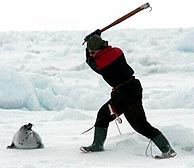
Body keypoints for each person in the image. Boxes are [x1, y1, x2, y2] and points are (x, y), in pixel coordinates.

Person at [80, 32, 177, 159]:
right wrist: (94, 38)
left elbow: (90, 61)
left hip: (128, 93)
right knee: (103, 115)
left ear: (100, 49)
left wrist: (88, 43)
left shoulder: (102, 63)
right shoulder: (117, 51)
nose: (91, 54)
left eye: (93, 52)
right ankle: (97, 144)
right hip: (125, 90)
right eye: (90, 52)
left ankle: (167, 149)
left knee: (140, 124)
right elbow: (94, 56)